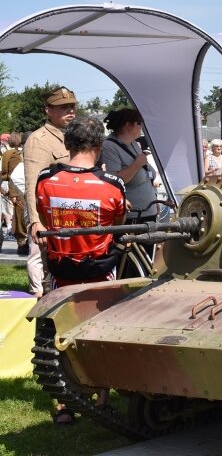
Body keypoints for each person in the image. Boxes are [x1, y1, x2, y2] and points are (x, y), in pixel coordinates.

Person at [34, 115, 125, 424]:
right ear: (98, 147)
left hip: (62, 271)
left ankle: (63, 405)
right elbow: (118, 225)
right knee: (102, 334)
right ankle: (101, 398)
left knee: (58, 335)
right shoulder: (112, 185)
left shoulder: (46, 180)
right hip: (98, 272)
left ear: (67, 143)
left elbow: (46, 220)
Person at [24, 86, 75, 298]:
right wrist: (36, 221)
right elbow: (31, 184)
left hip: (68, 212)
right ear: (48, 111)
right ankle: (37, 301)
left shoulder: (72, 136)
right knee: (41, 261)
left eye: (72, 107)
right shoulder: (39, 140)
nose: (70, 112)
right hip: (46, 213)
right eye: (63, 108)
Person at [102, 108, 158, 224]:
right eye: (139, 123)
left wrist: (155, 201)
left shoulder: (133, 143)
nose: (141, 127)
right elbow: (114, 181)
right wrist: (137, 164)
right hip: (131, 218)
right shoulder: (109, 146)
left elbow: (147, 175)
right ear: (128, 125)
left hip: (147, 213)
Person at [2, 133, 28, 255]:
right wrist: (12, 193)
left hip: (31, 191)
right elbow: (12, 176)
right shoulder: (15, 156)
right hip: (19, 191)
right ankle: (22, 243)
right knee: (20, 218)